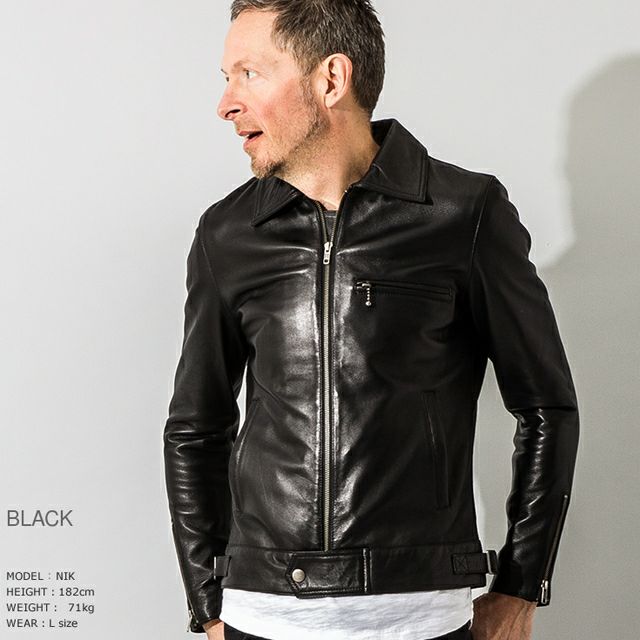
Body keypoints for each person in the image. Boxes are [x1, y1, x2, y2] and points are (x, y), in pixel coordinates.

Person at [163, 1, 579, 639]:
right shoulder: (228, 233)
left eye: (249, 74)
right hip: (259, 615)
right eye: (226, 77)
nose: (226, 104)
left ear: (331, 79)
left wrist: (521, 587)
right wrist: (208, 606)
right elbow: (195, 427)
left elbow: (547, 407)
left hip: (421, 619)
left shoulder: (463, 213)